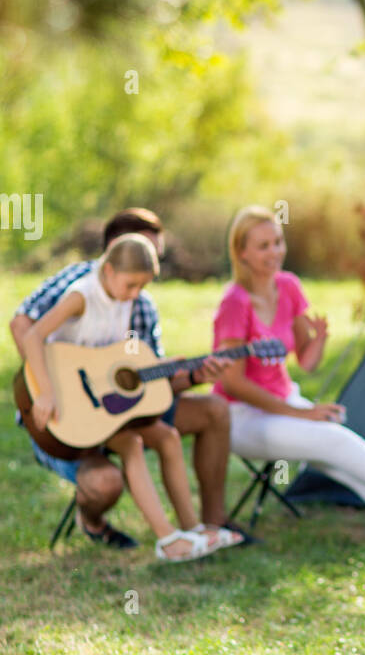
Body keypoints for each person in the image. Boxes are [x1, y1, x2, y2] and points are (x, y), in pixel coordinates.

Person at [11, 208, 244, 548]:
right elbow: (31, 334)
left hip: (109, 406)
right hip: (70, 406)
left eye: (142, 286)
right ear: (109, 268)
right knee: (133, 445)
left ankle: (191, 530)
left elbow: (127, 363)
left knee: (165, 437)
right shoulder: (81, 294)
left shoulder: (125, 299)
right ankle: (168, 539)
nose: (136, 293)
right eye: (131, 284)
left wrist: (185, 371)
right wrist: (46, 392)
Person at [212, 206, 365, 525]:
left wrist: (320, 339)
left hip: (283, 403)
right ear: (241, 253)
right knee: (334, 441)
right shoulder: (235, 303)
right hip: (240, 417)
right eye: (263, 246)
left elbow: (307, 361)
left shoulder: (288, 286)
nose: (275, 252)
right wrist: (302, 414)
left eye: (278, 242)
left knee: (342, 462)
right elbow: (233, 383)